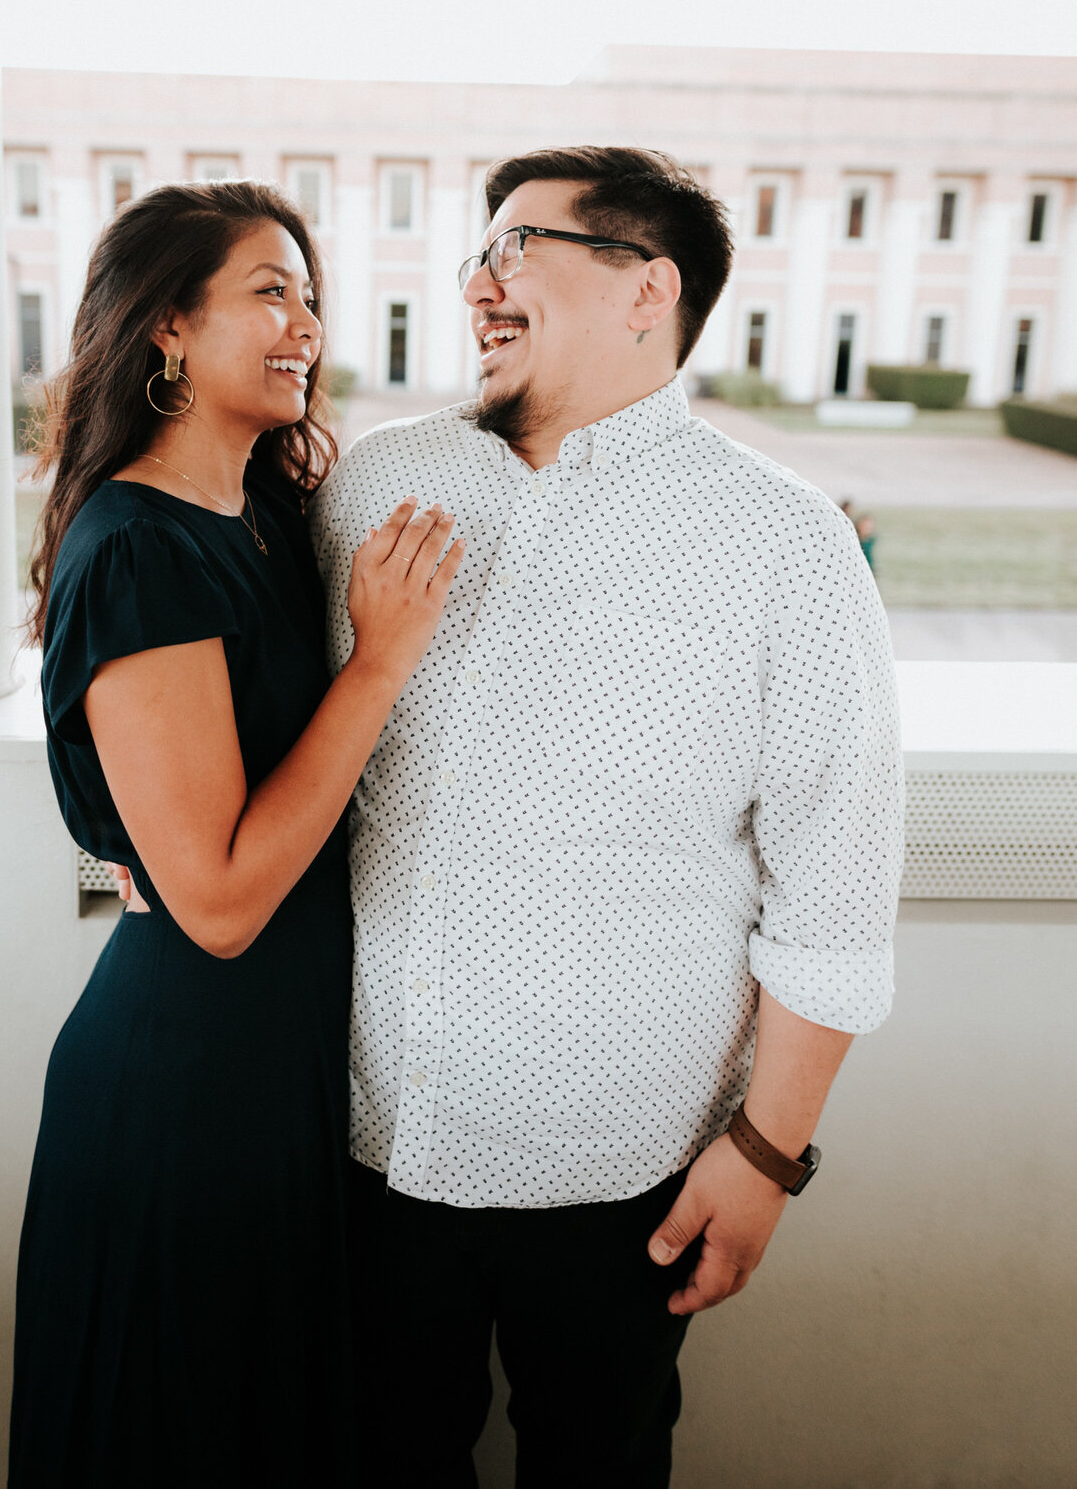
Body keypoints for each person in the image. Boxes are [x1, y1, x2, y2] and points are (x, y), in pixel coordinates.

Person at [308, 146, 904, 1487]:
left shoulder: (783, 543)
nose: (479, 279)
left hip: (625, 1163)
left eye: (518, 246)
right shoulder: (369, 487)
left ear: (650, 289)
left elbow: (838, 879)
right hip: (364, 1138)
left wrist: (765, 1155)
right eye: (478, 252)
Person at [8, 180, 464, 1488]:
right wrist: (377, 668)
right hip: (186, 1091)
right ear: (165, 327)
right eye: (271, 290)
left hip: (276, 1071)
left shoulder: (263, 518)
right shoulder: (140, 549)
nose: (307, 323)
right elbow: (211, 900)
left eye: (310, 294)